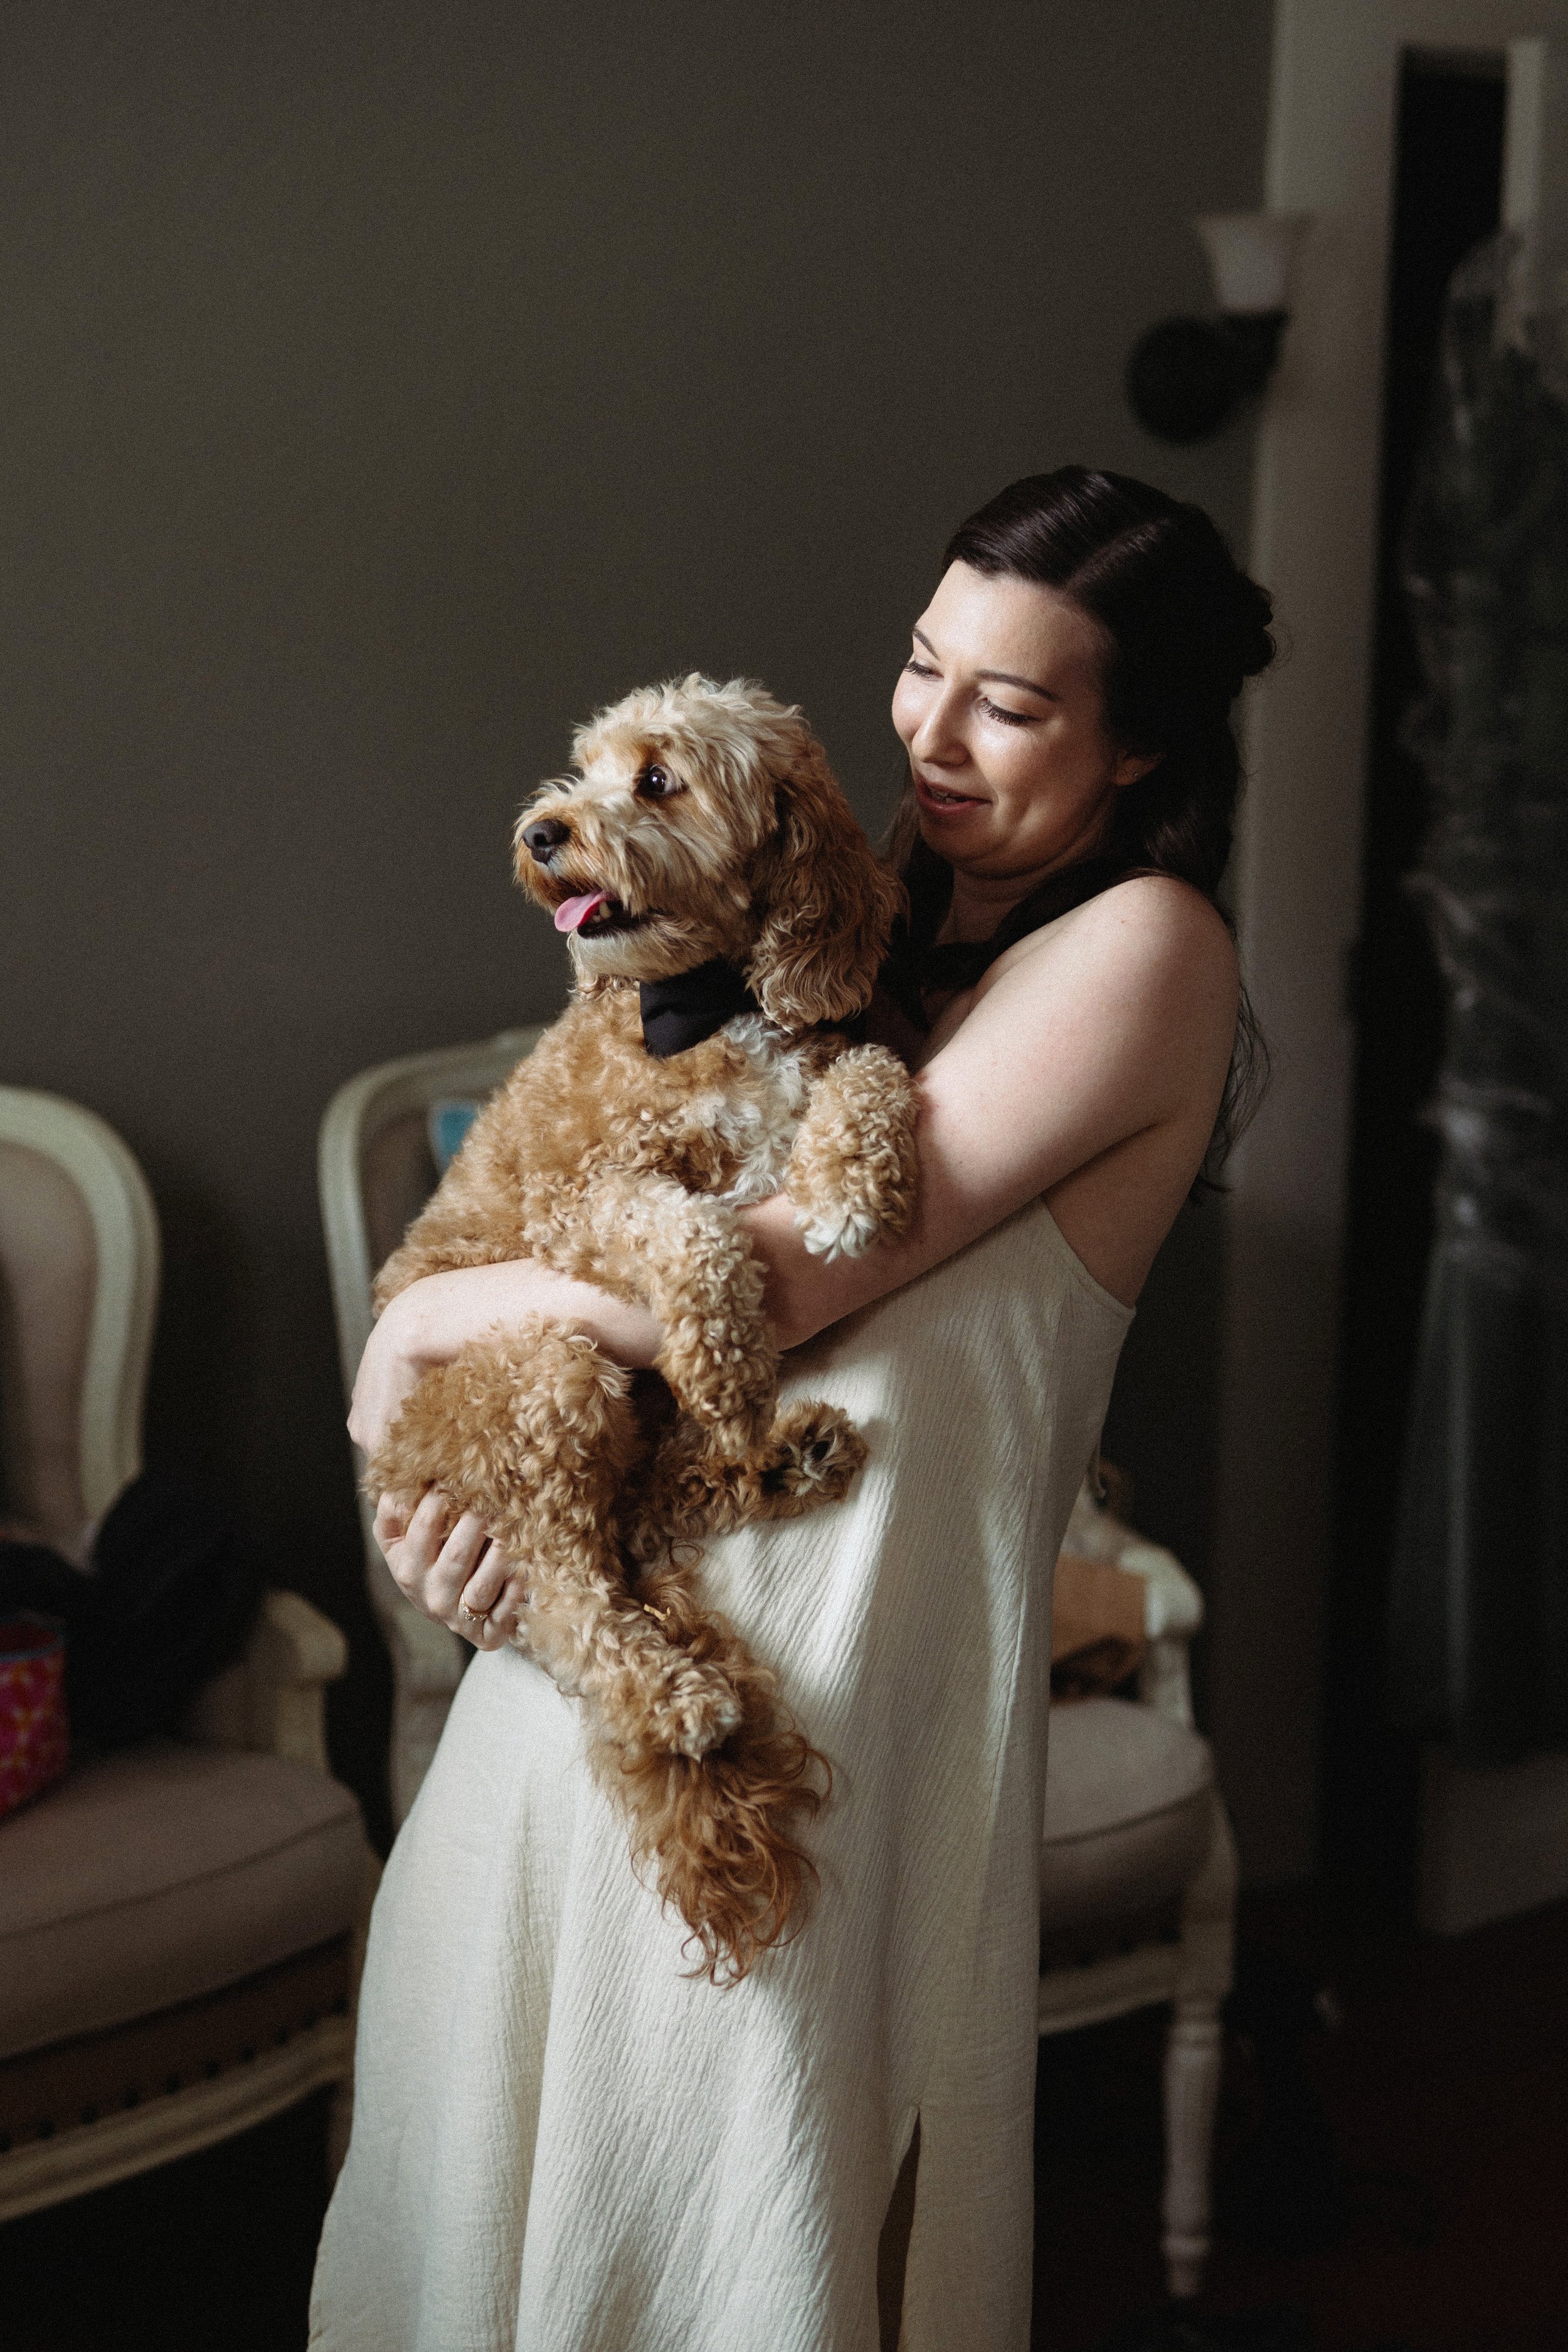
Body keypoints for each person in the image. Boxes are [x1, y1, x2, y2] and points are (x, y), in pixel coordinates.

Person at [309, 467, 1273, 2352]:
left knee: (730, 2251)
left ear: (1143, 744)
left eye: (1011, 702)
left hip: (821, 1731)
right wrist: (487, 1521)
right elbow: (588, 1197)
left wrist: (409, 1328)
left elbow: (779, 1276)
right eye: (923, 665)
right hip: (592, 1693)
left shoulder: (1145, 951)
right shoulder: (840, 932)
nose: (932, 733)